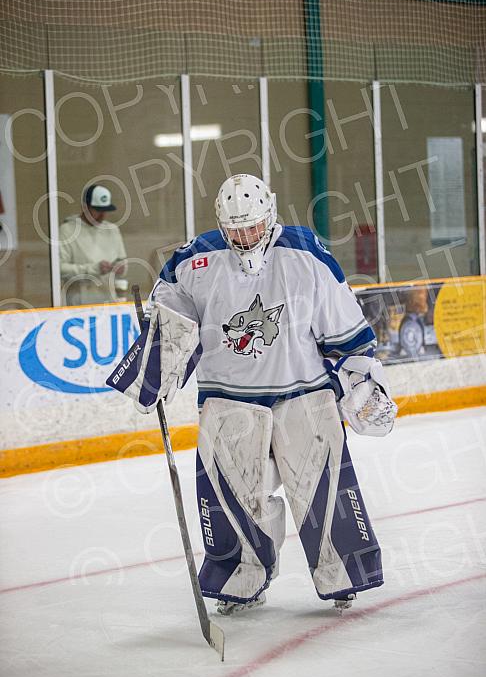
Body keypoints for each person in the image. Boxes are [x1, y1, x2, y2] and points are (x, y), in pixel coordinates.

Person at [109, 174, 397, 615]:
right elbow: (170, 328)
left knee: (322, 488)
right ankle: (242, 582)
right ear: (222, 225)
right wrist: (153, 373)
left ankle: (343, 576)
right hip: (228, 398)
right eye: (236, 229)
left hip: (304, 392)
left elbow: (342, 323)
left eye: (254, 226)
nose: (246, 237)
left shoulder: (306, 254)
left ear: (272, 215)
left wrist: (361, 381)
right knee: (234, 498)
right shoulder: (193, 262)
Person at [59, 184, 127, 305]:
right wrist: (93, 269)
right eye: (98, 210)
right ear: (85, 207)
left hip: (108, 300)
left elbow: (122, 262)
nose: (102, 215)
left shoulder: (112, 230)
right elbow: (60, 269)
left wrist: (120, 268)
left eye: (105, 210)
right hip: (79, 302)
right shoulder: (67, 230)